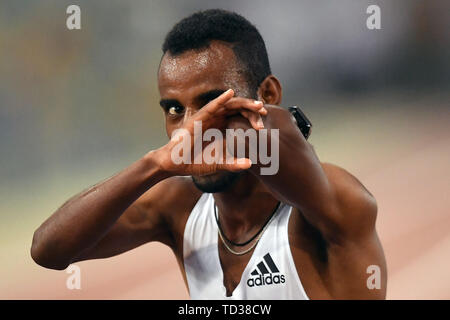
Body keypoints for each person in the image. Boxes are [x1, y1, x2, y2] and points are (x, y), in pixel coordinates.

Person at [31, 9, 386, 299]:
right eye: (174, 109)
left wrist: (254, 127)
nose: (191, 129)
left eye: (213, 104)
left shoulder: (332, 205)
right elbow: (49, 251)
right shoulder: (176, 207)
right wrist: (154, 165)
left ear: (269, 93)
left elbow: (280, 135)